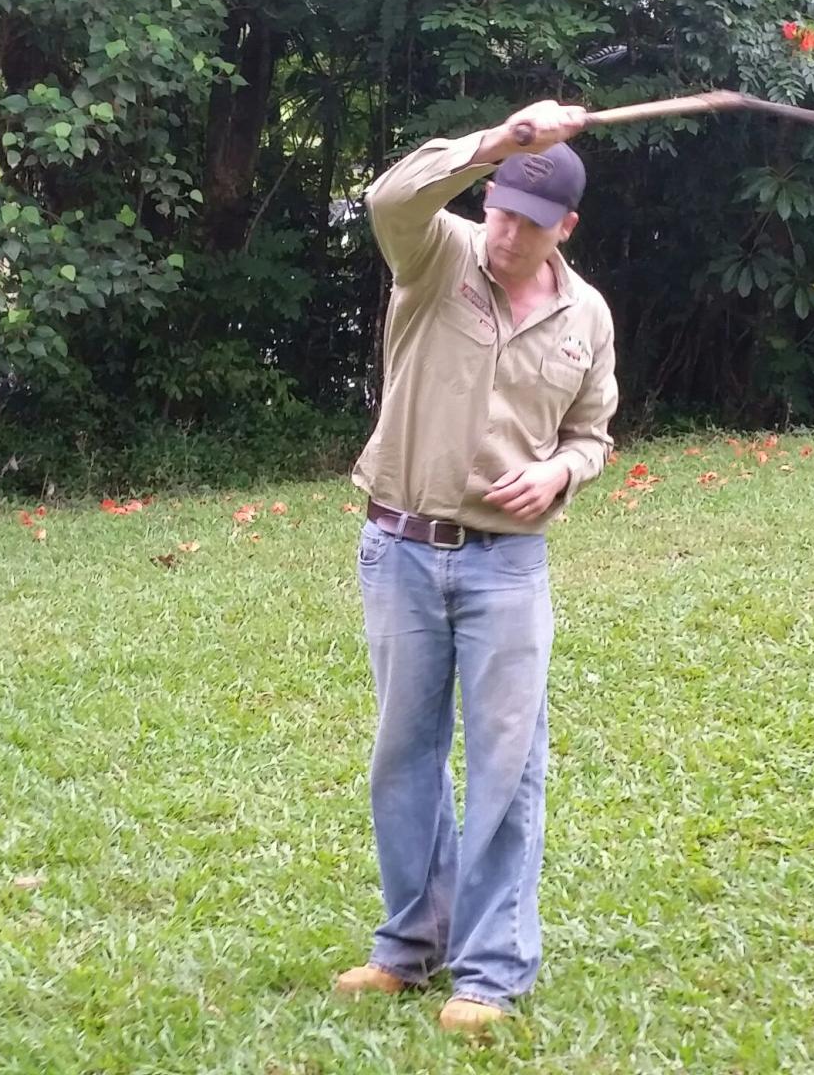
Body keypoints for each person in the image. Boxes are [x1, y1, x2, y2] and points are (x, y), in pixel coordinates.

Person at [332, 100, 619, 1033]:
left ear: (564, 229)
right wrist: (501, 139)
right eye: (498, 209)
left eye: (528, 224)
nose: (504, 233)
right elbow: (389, 194)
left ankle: (490, 972)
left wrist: (561, 472)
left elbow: (592, 433)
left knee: (507, 764)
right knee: (403, 757)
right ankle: (409, 947)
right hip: (401, 549)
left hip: (507, 565)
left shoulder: (588, 316)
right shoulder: (437, 253)